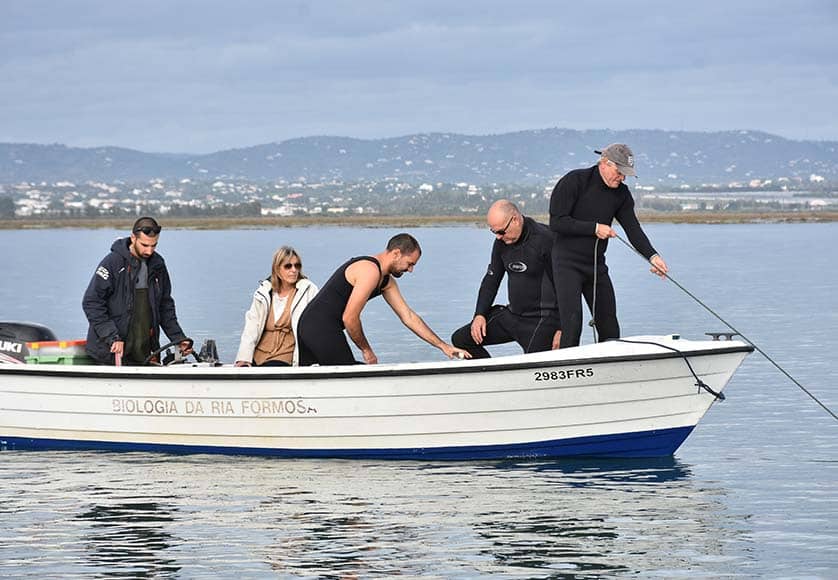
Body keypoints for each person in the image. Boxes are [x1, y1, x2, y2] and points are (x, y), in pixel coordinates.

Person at [549, 143, 669, 348]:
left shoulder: (621, 194)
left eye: (626, 174)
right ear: (605, 163)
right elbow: (557, 222)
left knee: (610, 327)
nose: (622, 178)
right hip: (566, 264)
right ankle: (570, 372)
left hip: (595, 266)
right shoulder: (575, 181)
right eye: (619, 172)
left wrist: (653, 257)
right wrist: (594, 228)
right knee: (573, 323)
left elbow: (633, 229)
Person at [297, 233, 470, 365]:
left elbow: (408, 317)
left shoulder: (386, 281)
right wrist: (366, 350)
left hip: (317, 326)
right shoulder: (369, 270)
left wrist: (443, 346)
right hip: (317, 326)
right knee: (351, 377)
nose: (410, 270)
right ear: (396, 253)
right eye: (410, 263)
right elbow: (349, 318)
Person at [451, 200, 561, 358]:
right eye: (494, 232)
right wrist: (479, 314)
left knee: (532, 365)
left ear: (515, 219)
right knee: (462, 340)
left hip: (543, 322)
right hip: (513, 316)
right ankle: (491, 378)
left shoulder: (545, 239)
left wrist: (563, 328)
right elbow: (491, 280)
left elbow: (567, 287)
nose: (498, 237)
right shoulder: (501, 242)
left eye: (501, 231)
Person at [82, 216, 192, 365]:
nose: (149, 251)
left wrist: (178, 339)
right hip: (110, 354)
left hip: (144, 354)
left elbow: (165, 307)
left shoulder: (158, 265)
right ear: (133, 238)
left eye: (154, 245)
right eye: (145, 245)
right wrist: (112, 337)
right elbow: (92, 302)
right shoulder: (112, 262)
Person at [234, 246, 318, 367]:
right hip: (259, 355)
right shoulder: (264, 292)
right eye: (288, 266)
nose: (294, 270)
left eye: (297, 266)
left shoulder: (308, 290)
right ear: (277, 269)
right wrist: (243, 358)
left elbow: (317, 325)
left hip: (287, 355)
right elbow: (252, 326)